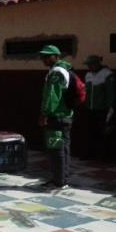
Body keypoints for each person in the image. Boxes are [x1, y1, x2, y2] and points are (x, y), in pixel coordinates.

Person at [38, 45, 73, 189]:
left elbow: (53, 96)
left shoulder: (56, 72)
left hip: (57, 116)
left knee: (56, 149)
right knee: (62, 148)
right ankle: (61, 179)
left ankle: (58, 181)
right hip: (63, 116)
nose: (44, 59)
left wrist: (44, 113)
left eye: (47, 56)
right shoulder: (59, 70)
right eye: (42, 56)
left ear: (56, 56)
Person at [84, 55, 115, 161]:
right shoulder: (88, 75)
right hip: (90, 108)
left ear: (97, 64)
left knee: (103, 133)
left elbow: (110, 93)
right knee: (90, 131)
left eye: (90, 64)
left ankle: (103, 156)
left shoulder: (107, 74)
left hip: (102, 109)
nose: (89, 67)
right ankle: (89, 154)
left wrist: (110, 108)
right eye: (88, 65)